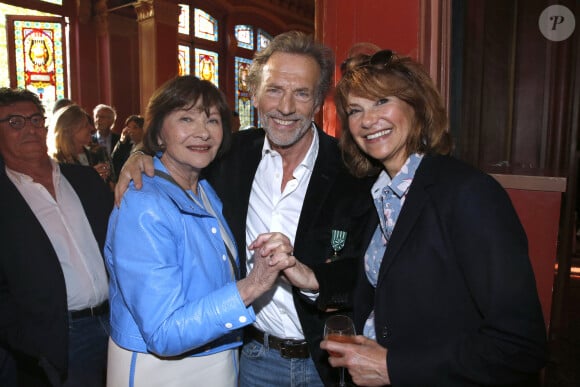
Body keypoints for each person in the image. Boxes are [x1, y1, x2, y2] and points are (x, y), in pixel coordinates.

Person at [277, 49, 547, 386]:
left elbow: (521, 345)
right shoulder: (379, 194)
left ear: (416, 107)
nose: (367, 120)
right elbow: (387, 282)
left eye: (381, 102)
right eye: (355, 111)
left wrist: (394, 367)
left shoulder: (467, 193)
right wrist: (314, 278)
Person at [115, 31, 369, 386]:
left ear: (317, 103)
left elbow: (368, 273)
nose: (285, 107)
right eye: (275, 90)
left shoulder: (353, 170)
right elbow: (179, 152)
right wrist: (141, 156)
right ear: (255, 95)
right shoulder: (229, 157)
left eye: (301, 93)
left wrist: (315, 282)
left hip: (324, 361)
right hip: (250, 359)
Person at [105, 75, 296, 386]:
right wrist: (253, 285)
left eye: (212, 120)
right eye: (186, 118)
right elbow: (163, 332)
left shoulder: (206, 188)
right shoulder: (143, 204)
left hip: (217, 357)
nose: (202, 132)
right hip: (162, 370)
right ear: (159, 133)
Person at [0, 87, 112, 386]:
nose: (30, 129)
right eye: (15, 122)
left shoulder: (84, 180)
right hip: (60, 337)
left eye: (36, 120)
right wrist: (29, 341)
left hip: (119, 322)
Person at [48, 104, 115, 185]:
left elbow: (111, 183)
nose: (92, 128)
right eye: (86, 125)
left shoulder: (97, 153)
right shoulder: (57, 162)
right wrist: (90, 176)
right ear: (70, 130)